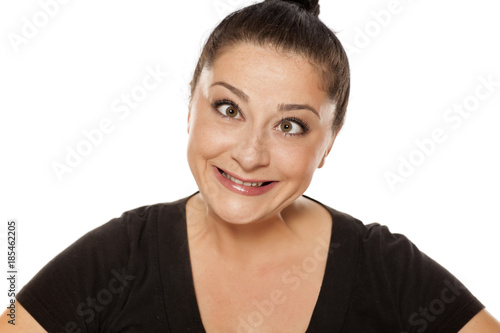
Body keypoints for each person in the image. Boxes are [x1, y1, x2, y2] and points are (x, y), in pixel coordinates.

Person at [2, 0, 499, 332]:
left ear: (329, 144)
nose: (249, 154)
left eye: (290, 126)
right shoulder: (118, 259)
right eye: (229, 109)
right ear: (190, 108)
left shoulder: (386, 269)